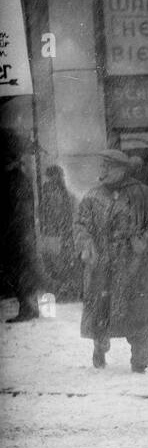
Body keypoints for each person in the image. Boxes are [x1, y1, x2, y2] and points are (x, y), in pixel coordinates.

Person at [73, 149, 148, 371]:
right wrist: (86, 244)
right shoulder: (93, 196)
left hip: (132, 265)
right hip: (101, 265)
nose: (102, 171)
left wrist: (142, 242)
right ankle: (99, 348)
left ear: (120, 169)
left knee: (137, 312)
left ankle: (140, 360)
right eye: (102, 166)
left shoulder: (141, 193)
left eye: (107, 167)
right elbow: (80, 225)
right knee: (101, 311)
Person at [2, 133, 45, 322]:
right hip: (18, 232)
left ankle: (28, 308)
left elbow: (17, 209)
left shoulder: (15, 179)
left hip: (17, 233)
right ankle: (29, 306)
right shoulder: (17, 178)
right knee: (22, 269)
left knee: (21, 270)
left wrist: (14, 230)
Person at [38, 163, 78, 302]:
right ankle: (65, 292)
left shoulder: (50, 192)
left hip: (55, 235)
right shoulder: (64, 193)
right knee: (62, 264)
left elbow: (51, 214)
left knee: (57, 265)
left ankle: (62, 292)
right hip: (60, 234)